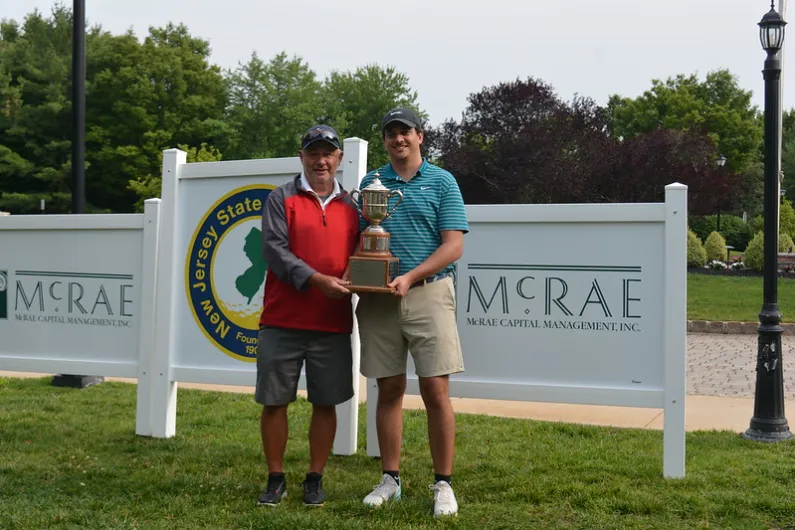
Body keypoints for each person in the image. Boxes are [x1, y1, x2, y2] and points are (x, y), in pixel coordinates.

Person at [356, 108, 469, 518]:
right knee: (387, 390)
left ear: (421, 136)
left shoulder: (442, 181)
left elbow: (453, 245)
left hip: (428, 294)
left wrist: (410, 276)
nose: (398, 139)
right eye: (390, 134)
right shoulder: (373, 183)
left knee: (435, 392)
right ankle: (391, 479)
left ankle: (443, 484)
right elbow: (359, 240)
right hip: (379, 299)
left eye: (405, 132)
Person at [255, 124, 359, 507]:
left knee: (326, 402)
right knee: (274, 401)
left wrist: (356, 272)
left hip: (331, 322)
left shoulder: (354, 207)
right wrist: (317, 280)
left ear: (339, 159)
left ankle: (315, 477)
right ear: (302, 157)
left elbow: (361, 256)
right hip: (282, 319)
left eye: (328, 153)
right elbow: (274, 252)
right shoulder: (281, 198)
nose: (321, 160)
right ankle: (275, 477)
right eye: (313, 153)